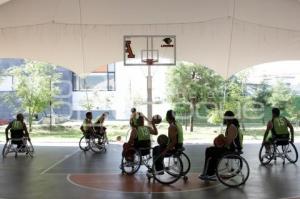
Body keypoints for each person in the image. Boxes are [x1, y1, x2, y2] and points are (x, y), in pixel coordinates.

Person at [199, 110, 242, 181]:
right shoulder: (231, 126)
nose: (224, 119)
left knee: (211, 151)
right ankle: (207, 172)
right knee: (209, 150)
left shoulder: (232, 127)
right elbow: (228, 141)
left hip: (231, 149)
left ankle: (210, 173)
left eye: (225, 117)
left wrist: (221, 138)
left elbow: (228, 142)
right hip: (231, 148)